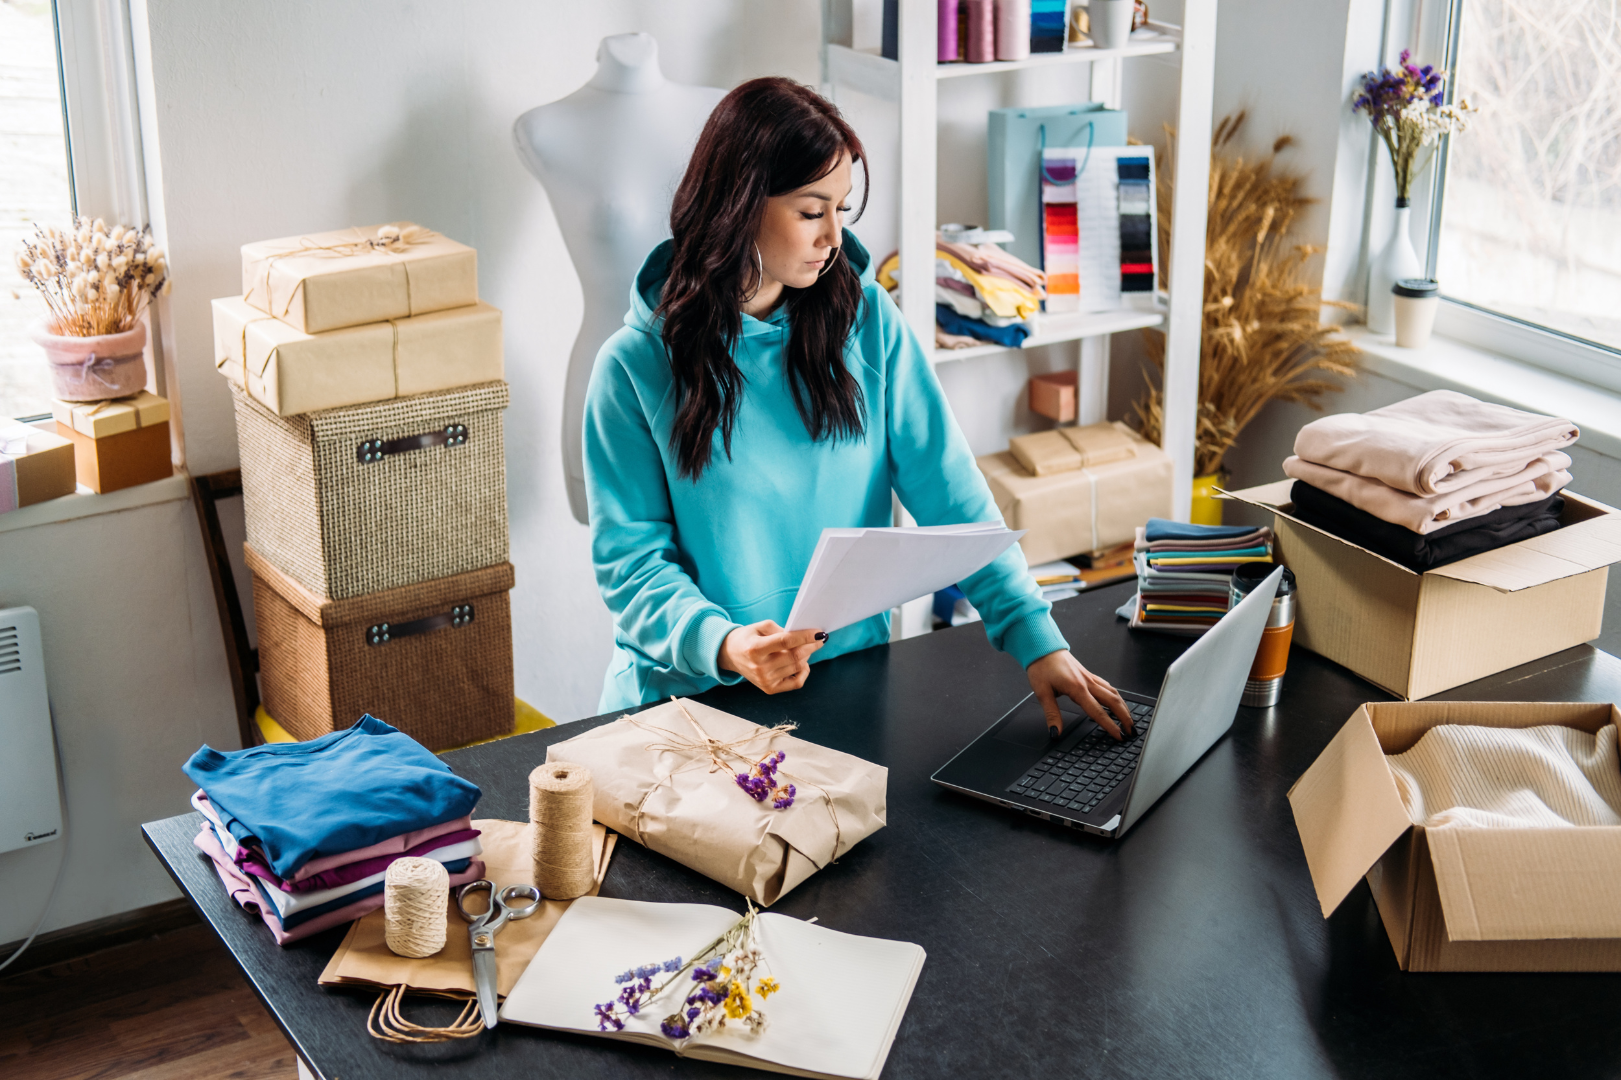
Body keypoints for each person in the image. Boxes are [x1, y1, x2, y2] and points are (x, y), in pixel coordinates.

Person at [583, 77, 1132, 738]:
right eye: (812, 211)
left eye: (842, 209)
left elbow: (951, 496)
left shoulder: (868, 321)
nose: (833, 236)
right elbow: (633, 567)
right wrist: (727, 645)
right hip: (687, 703)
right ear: (737, 205)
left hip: (844, 683)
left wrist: (1035, 638)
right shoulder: (632, 368)